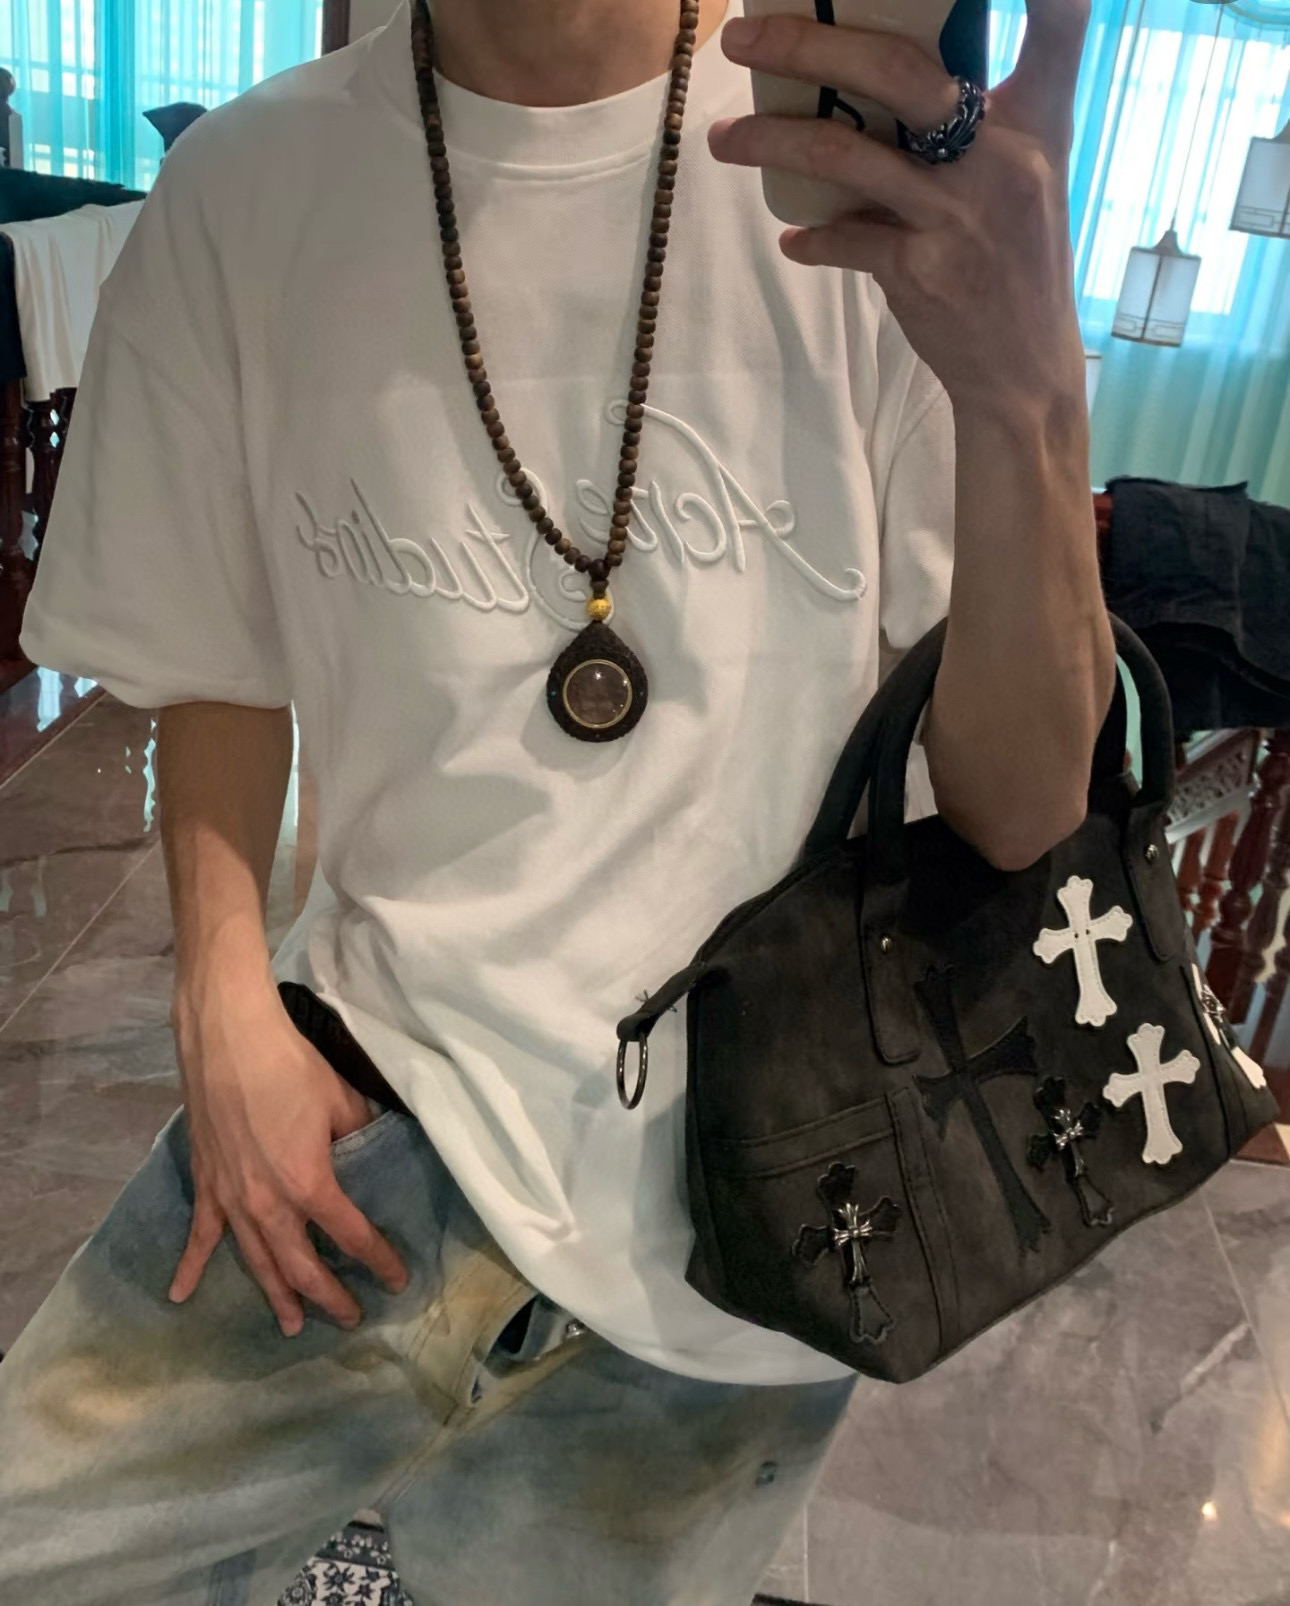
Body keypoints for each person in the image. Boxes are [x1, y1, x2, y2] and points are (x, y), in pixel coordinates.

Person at [0, 1, 1115, 1602]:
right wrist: (218, 1001)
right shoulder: (249, 187)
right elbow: (212, 653)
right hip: (362, 1113)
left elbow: (1019, 810)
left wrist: (1029, 395)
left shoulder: (859, 187)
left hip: (759, 1195)